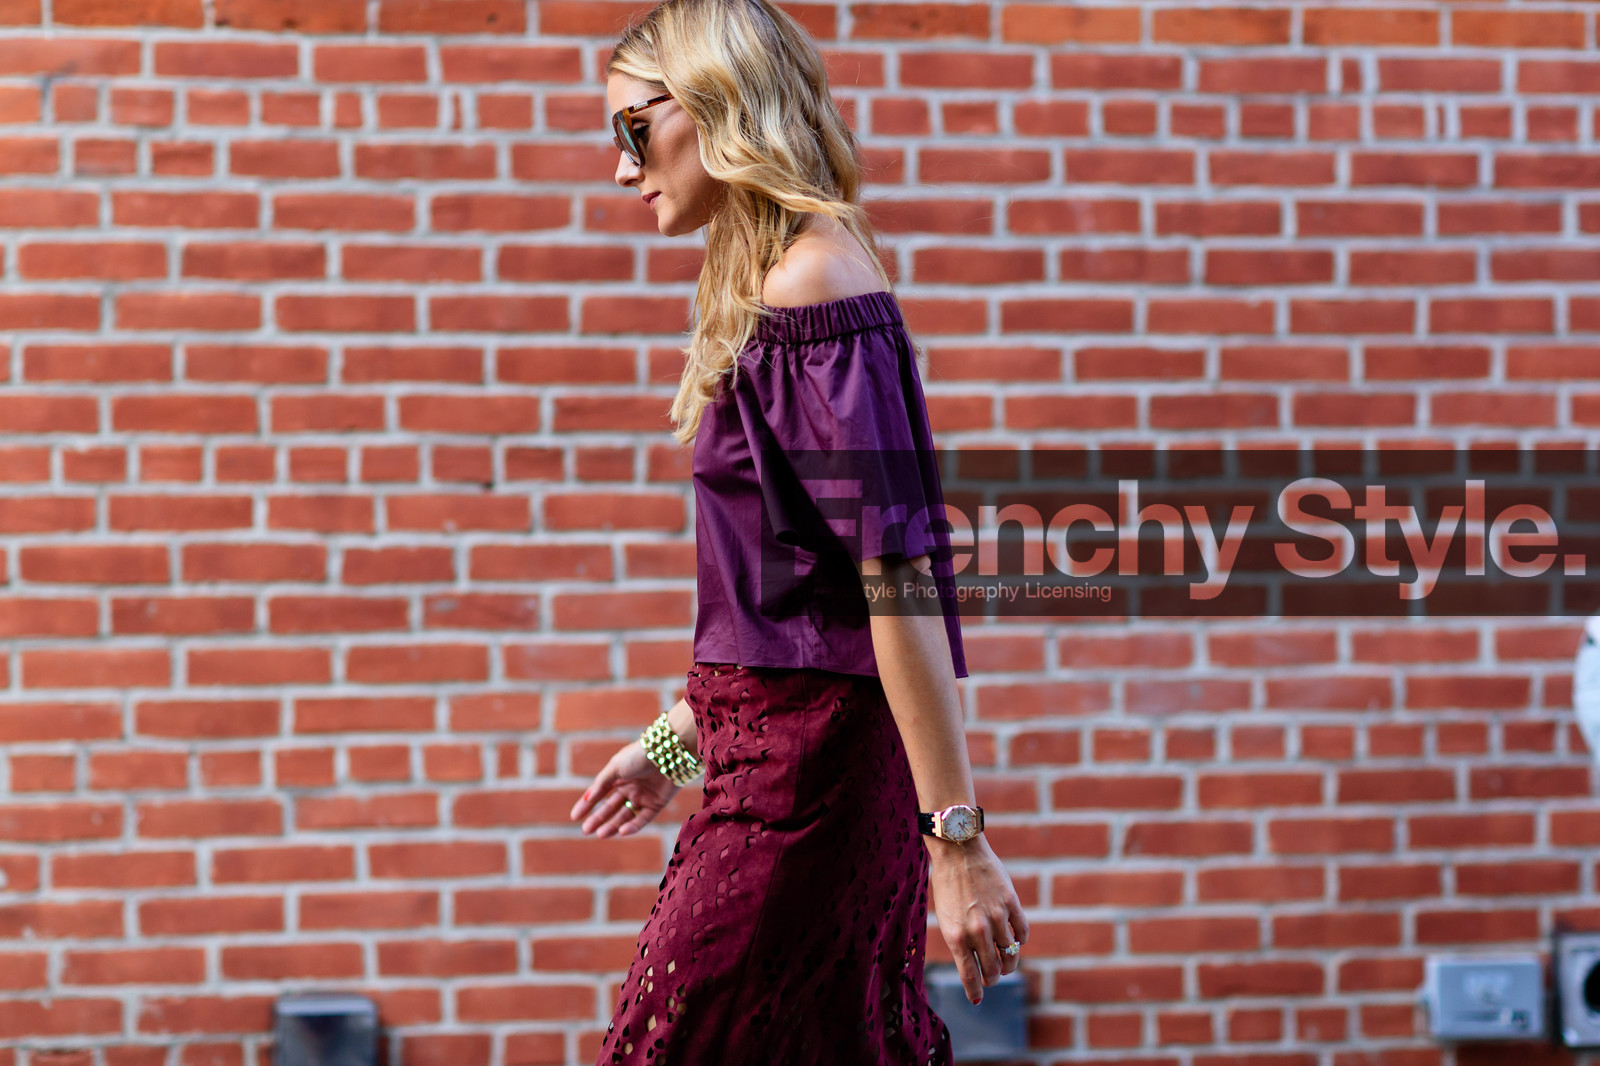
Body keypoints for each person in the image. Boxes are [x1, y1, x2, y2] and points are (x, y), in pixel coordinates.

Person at [567, 2, 1029, 1062]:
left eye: (633, 130)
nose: (621, 167)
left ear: (717, 105)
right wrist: (677, 741)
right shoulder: (775, 290)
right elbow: (793, 599)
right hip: (767, 766)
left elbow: (893, 575)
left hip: (806, 792)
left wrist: (957, 840)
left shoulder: (816, 283)